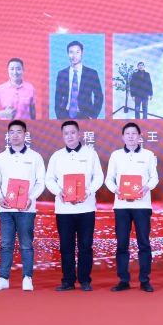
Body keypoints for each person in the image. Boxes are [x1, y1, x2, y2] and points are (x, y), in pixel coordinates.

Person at [44, 120, 104, 291]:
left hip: (86, 208)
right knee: (66, 246)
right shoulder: (57, 156)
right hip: (64, 209)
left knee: (85, 246)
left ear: (79, 134)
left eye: (72, 132)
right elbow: (49, 179)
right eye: (66, 133)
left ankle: (85, 280)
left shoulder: (90, 154)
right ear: (62, 136)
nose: (69, 136)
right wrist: (59, 192)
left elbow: (98, 177)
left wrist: (88, 191)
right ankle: (68, 281)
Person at [0, 120, 47, 291]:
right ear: (8, 135)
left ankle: (27, 278)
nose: (15, 135)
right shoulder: (1, 157)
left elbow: (41, 181)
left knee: (26, 244)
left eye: (19, 132)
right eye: (12, 132)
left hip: (26, 209)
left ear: (25, 135)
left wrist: (31, 197)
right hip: (6, 209)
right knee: (6, 244)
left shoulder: (35, 157)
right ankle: (3, 278)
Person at [105, 122, 159, 291]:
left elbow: (154, 178)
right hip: (121, 206)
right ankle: (123, 280)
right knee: (122, 243)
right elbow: (109, 179)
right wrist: (116, 190)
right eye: (127, 133)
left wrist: (147, 187)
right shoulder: (116, 155)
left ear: (139, 136)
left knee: (144, 243)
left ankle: (145, 280)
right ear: (123, 137)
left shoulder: (149, 155)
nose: (130, 136)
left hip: (142, 206)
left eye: (134, 133)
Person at [54, 40, 103, 119]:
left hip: (85, 115)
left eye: (77, 52)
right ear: (68, 54)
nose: (74, 55)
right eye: (71, 52)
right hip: (65, 114)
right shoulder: (62, 74)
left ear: (82, 53)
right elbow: (58, 96)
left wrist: (93, 116)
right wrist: (59, 114)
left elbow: (99, 96)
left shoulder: (91, 73)